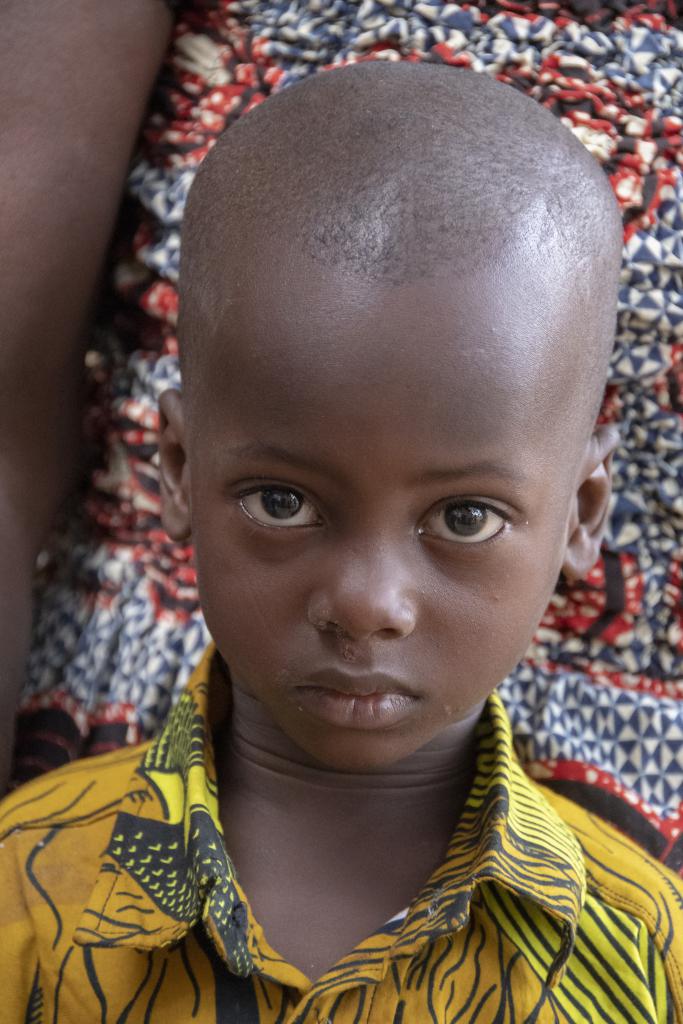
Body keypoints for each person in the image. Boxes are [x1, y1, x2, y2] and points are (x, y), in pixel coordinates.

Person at [0, 62, 681, 1022]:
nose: (367, 603)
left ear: (581, 512)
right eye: (282, 502)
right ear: (176, 469)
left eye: (464, 517)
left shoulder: (640, 948)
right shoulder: (26, 897)